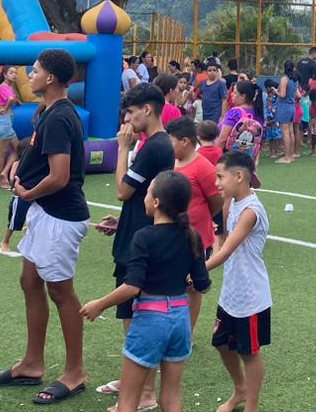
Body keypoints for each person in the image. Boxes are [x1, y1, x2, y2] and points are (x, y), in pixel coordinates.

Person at [0, 49, 90, 404]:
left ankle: (75, 372)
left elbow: (60, 176)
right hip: (44, 212)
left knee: (61, 292)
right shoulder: (48, 112)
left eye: (36, 70)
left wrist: (28, 192)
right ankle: (32, 363)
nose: (30, 74)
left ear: (51, 78)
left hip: (60, 216)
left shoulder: (60, 117)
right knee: (30, 280)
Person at [82, 173, 209, 412]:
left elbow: (132, 286)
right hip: (180, 320)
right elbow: (202, 284)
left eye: (148, 192)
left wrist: (99, 304)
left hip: (151, 319)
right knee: (170, 398)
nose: (145, 197)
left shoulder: (143, 237)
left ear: (156, 202)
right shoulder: (192, 236)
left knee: (128, 401)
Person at [93, 83, 175, 408]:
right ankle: (134, 380)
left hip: (143, 244)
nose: (126, 120)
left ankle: (145, 392)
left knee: (140, 320)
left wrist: (122, 149)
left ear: (147, 110)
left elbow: (122, 191)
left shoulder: (155, 146)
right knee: (130, 316)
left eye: (129, 112)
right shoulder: (154, 144)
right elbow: (141, 199)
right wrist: (123, 221)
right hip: (136, 234)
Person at [206, 151, 272, 412]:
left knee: (249, 353)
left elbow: (225, 252)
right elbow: (221, 240)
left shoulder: (251, 212)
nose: (217, 183)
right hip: (231, 292)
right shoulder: (232, 202)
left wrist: (196, 271)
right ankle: (240, 389)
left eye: (220, 177)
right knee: (221, 343)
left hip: (251, 296)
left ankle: (251, 406)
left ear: (239, 176)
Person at [169, 115, 222, 328]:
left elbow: (216, 200)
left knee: (192, 286)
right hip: (171, 235)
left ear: (185, 141)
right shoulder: (171, 162)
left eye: (171, 141)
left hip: (196, 238)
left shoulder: (203, 166)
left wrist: (202, 218)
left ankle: (187, 332)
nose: (169, 145)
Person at [0, 139, 33, 253]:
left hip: (33, 195)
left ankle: (31, 236)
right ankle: (5, 241)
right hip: (20, 197)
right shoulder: (17, 163)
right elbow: (13, 179)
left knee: (36, 217)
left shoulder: (35, 164)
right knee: (15, 221)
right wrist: (15, 185)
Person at [0, 64, 23, 188]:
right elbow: (10, 99)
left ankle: (3, 174)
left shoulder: (8, 87)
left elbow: (12, 98)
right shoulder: (4, 87)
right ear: (5, 75)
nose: (14, 75)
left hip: (5, 122)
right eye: (11, 72)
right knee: (4, 152)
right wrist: (6, 109)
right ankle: (0, 180)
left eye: (15, 73)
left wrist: (17, 101)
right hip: (3, 122)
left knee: (17, 150)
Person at [274, 61, 299, 164]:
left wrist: (276, 91)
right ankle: (291, 155)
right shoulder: (295, 80)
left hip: (284, 106)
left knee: (285, 132)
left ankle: (287, 157)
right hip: (292, 106)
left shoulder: (284, 79)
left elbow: (282, 95)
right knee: (291, 131)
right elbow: (298, 95)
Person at [262, 80, 282, 158]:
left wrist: (273, 119)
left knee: (275, 137)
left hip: (275, 119)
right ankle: (271, 152)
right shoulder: (267, 98)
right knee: (270, 137)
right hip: (268, 118)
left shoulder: (276, 99)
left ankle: (275, 152)